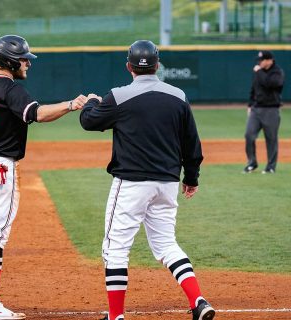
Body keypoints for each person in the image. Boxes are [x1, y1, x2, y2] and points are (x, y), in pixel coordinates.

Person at [0, 34, 88, 319]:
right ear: (11, 61)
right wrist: (71, 105)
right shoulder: (12, 90)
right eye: (25, 59)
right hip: (0, 168)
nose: (28, 63)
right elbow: (37, 114)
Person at [80, 40, 214, 320]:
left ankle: (115, 316)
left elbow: (89, 121)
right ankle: (198, 301)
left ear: (129, 67)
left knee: (115, 249)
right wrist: (191, 177)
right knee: (166, 245)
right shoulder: (178, 95)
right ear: (158, 65)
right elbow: (192, 143)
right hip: (166, 184)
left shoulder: (118, 95)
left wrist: (91, 102)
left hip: (131, 183)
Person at [243, 50, 285, 174]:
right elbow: (254, 88)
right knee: (249, 135)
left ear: (269, 60)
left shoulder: (277, 72)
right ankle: (252, 162)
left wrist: (259, 72)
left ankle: (271, 166)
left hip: (271, 109)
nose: (259, 62)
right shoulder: (258, 72)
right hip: (256, 109)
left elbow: (270, 84)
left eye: (261, 60)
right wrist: (250, 105)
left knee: (271, 138)